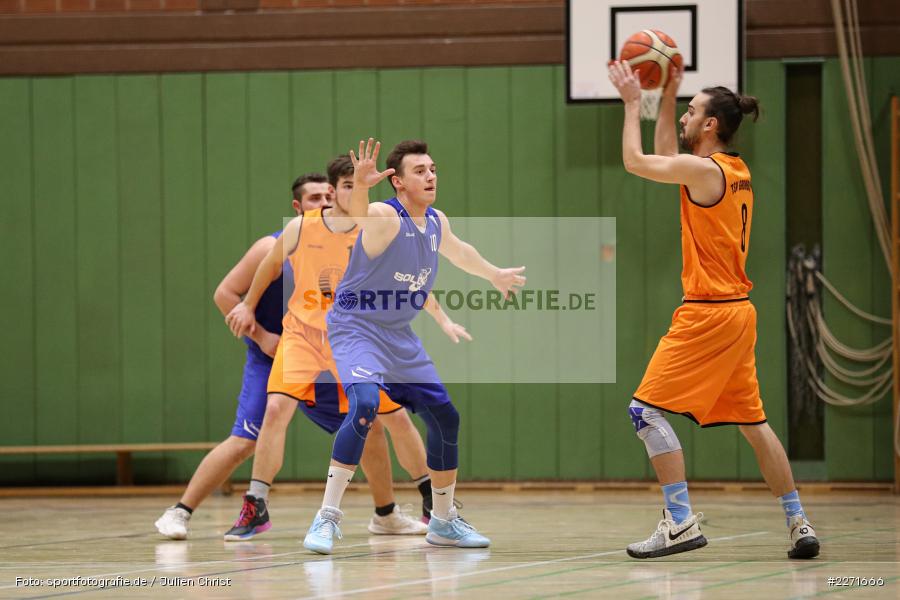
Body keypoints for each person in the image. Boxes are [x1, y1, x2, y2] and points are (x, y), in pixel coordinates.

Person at [267, 138, 526, 555]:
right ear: (399, 182)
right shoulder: (387, 216)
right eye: (420, 171)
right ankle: (327, 517)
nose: (431, 176)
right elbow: (361, 215)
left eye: (433, 169)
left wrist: (493, 274)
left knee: (445, 417)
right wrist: (362, 186)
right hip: (355, 328)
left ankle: (443, 521)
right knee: (365, 405)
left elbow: (460, 252)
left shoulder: (436, 222)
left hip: (397, 334)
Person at [607, 60, 820, 560]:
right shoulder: (733, 170)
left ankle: (679, 520)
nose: (684, 115)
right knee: (753, 422)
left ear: (710, 125)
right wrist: (668, 95)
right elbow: (667, 157)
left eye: (691, 110)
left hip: (707, 313)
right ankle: (798, 522)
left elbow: (637, 162)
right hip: (738, 313)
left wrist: (634, 104)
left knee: (644, 410)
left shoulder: (704, 171)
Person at [223, 156, 471, 541]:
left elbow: (410, 282)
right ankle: (256, 503)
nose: (355, 192)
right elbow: (269, 266)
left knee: (394, 418)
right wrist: (248, 305)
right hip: (303, 334)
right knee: (275, 409)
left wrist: (442, 318)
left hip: (356, 336)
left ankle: (424, 499)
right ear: (334, 191)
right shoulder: (302, 227)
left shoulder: (376, 231)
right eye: (348, 186)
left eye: (360, 186)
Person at [155, 173, 328, 539]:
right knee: (245, 440)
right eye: (314, 198)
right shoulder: (271, 247)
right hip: (272, 354)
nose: (324, 204)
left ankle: (388, 512)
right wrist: (262, 337)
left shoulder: (341, 246)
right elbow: (225, 294)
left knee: (373, 422)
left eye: (329, 197)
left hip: (318, 355)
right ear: (297, 207)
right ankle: (180, 511)